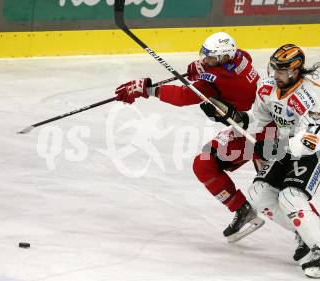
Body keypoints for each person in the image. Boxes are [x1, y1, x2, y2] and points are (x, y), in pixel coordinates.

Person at [207, 44, 320, 278]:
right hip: (287, 148)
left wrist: (277, 146)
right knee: (258, 194)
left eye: (280, 71)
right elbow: (256, 120)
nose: (274, 75)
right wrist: (232, 116)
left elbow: (313, 139)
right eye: (273, 69)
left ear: (294, 71)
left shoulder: (314, 98)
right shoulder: (267, 87)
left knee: (291, 197)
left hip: (316, 150)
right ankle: (312, 235)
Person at [114, 32, 267, 242]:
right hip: (252, 124)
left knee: (272, 194)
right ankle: (244, 209)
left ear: (224, 58)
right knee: (209, 164)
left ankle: (314, 239)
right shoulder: (241, 57)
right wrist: (202, 67)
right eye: (205, 55)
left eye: (211, 58)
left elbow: (184, 96)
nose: (205, 60)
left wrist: (147, 90)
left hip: (256, 135)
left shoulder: (217, 78)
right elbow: (212, 74)